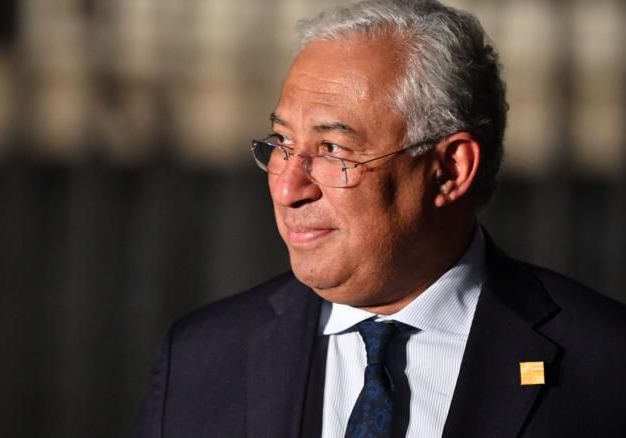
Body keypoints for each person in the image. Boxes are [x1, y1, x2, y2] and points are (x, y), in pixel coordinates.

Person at [134, 1, 626, 436]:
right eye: (282, 142)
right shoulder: (202, 358)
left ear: (450, 170)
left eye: (333, 149)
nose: (287, 188)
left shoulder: (604, 365)